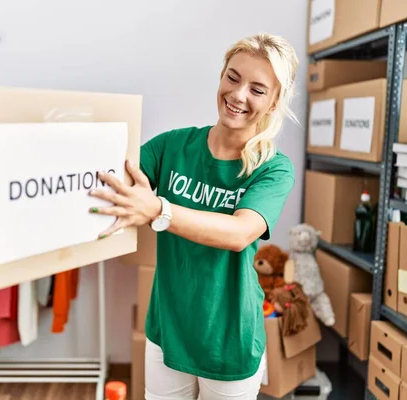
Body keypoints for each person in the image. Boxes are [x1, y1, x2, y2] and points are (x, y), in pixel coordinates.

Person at [89, 32, 299, 400]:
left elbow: (239, 233)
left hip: (229, 342)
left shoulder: (273, 169)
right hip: (167, 331)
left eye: (257, 89)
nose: (237, 95)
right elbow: (109, 178)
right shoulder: (172, 146)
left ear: (274, 101)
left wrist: (158, 208)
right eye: (232, 78)